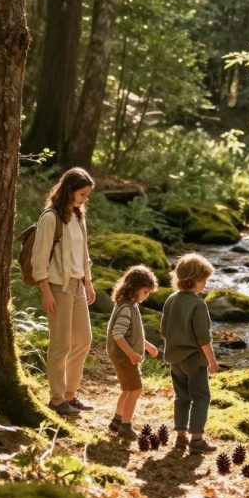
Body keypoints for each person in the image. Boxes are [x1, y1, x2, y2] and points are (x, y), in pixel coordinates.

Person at [31, 166, 96, 417]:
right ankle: (57, 399)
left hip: (78, 286)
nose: (84, 199)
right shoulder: (50, 218)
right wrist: (46, 291)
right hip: (57, 287)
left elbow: (84, 253)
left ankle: (70, 393)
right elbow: (39, 259)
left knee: (83, 339)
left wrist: (88, 282)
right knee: (61, 344)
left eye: (87, 195)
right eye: (82, 194)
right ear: (68, 190)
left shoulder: (79, 216)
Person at [160, 252, 219, 453]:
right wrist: (212, 361)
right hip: (194, 360)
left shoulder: (170, 300)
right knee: (201, 397)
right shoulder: (198, 304)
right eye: (204, 280)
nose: (205, 284)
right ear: (195, 280)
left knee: (182, 396)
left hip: (174, 359)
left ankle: (180, 436)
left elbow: (164, 330)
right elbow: (203, 338)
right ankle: (197, 439)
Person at [106, 265, 159, 440]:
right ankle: (126, 426)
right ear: (134, 288)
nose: (147, 296)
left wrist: (146, 345)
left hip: (123, 356)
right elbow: (118, 334)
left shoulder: (129, 306)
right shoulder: (126, 309)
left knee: (127, 389)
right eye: (145, 291)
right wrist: (130, 354)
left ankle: (117, 420)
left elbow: (131, 334)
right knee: (136, 389)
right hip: (124, 357)